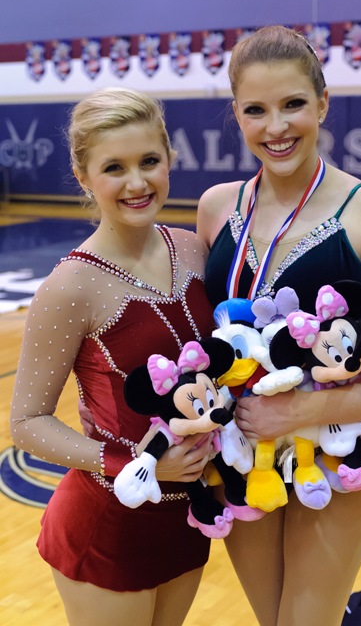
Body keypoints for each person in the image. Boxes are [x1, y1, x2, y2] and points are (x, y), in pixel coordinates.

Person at [196, 26, 361, 626]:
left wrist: (303, 413)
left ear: (323, 103)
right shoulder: (217, 207)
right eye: (256, 110)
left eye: (292, 104)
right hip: (243, 455)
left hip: (343, 453)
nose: (276, 126)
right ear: (235, 115)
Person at [9, 88, 217, 626]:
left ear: (169, 158)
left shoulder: (193, 249)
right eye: (114, 168)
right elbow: (27, 424)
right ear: (84, 177)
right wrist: (135, 465)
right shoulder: (69, 286)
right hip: (108, 523)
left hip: (185, 517)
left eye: (149, 161)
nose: (136, 183)